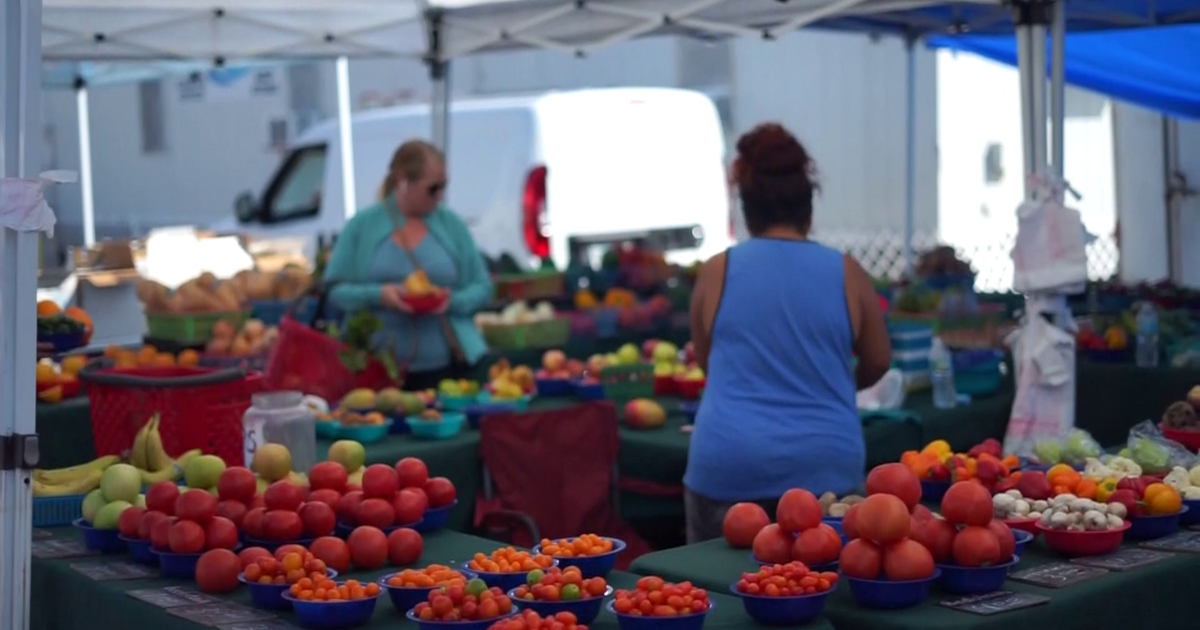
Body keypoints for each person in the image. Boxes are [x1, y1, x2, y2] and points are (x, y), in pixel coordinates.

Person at [682, 123, 893, 543]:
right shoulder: (847, 273)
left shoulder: (716, 273)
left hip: (727, 469)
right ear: (808, 209)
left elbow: (709, 362)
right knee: (821, 596)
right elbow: (879, 360)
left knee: (721, 601)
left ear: (746, 210)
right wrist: (832, 384)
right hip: (825, 472)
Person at [323, 140, 492, 390]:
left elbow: (482, 286)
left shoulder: (451, 225)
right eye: (433, 188)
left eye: (444, 187)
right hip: (373, 370)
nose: (440, 196)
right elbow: (333, 290)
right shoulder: (362, 226)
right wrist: (379, 295)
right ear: (402, 180)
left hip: (446, 370)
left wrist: (450, 300)